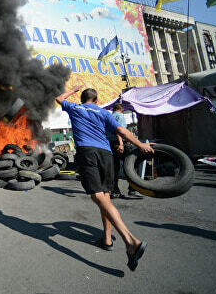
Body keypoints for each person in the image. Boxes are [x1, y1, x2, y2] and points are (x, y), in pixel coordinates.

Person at [56, 86, 153, 271]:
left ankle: (130, 241)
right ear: (97, 100)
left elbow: (59, 98)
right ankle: (107, 239)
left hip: (87, 152)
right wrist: (140, 144)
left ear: (82, 98)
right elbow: (122, 132)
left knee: (97, 196)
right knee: (105, 197)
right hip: (106, 154)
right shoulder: (103, 112)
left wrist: (74, 89)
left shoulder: (75, 108)